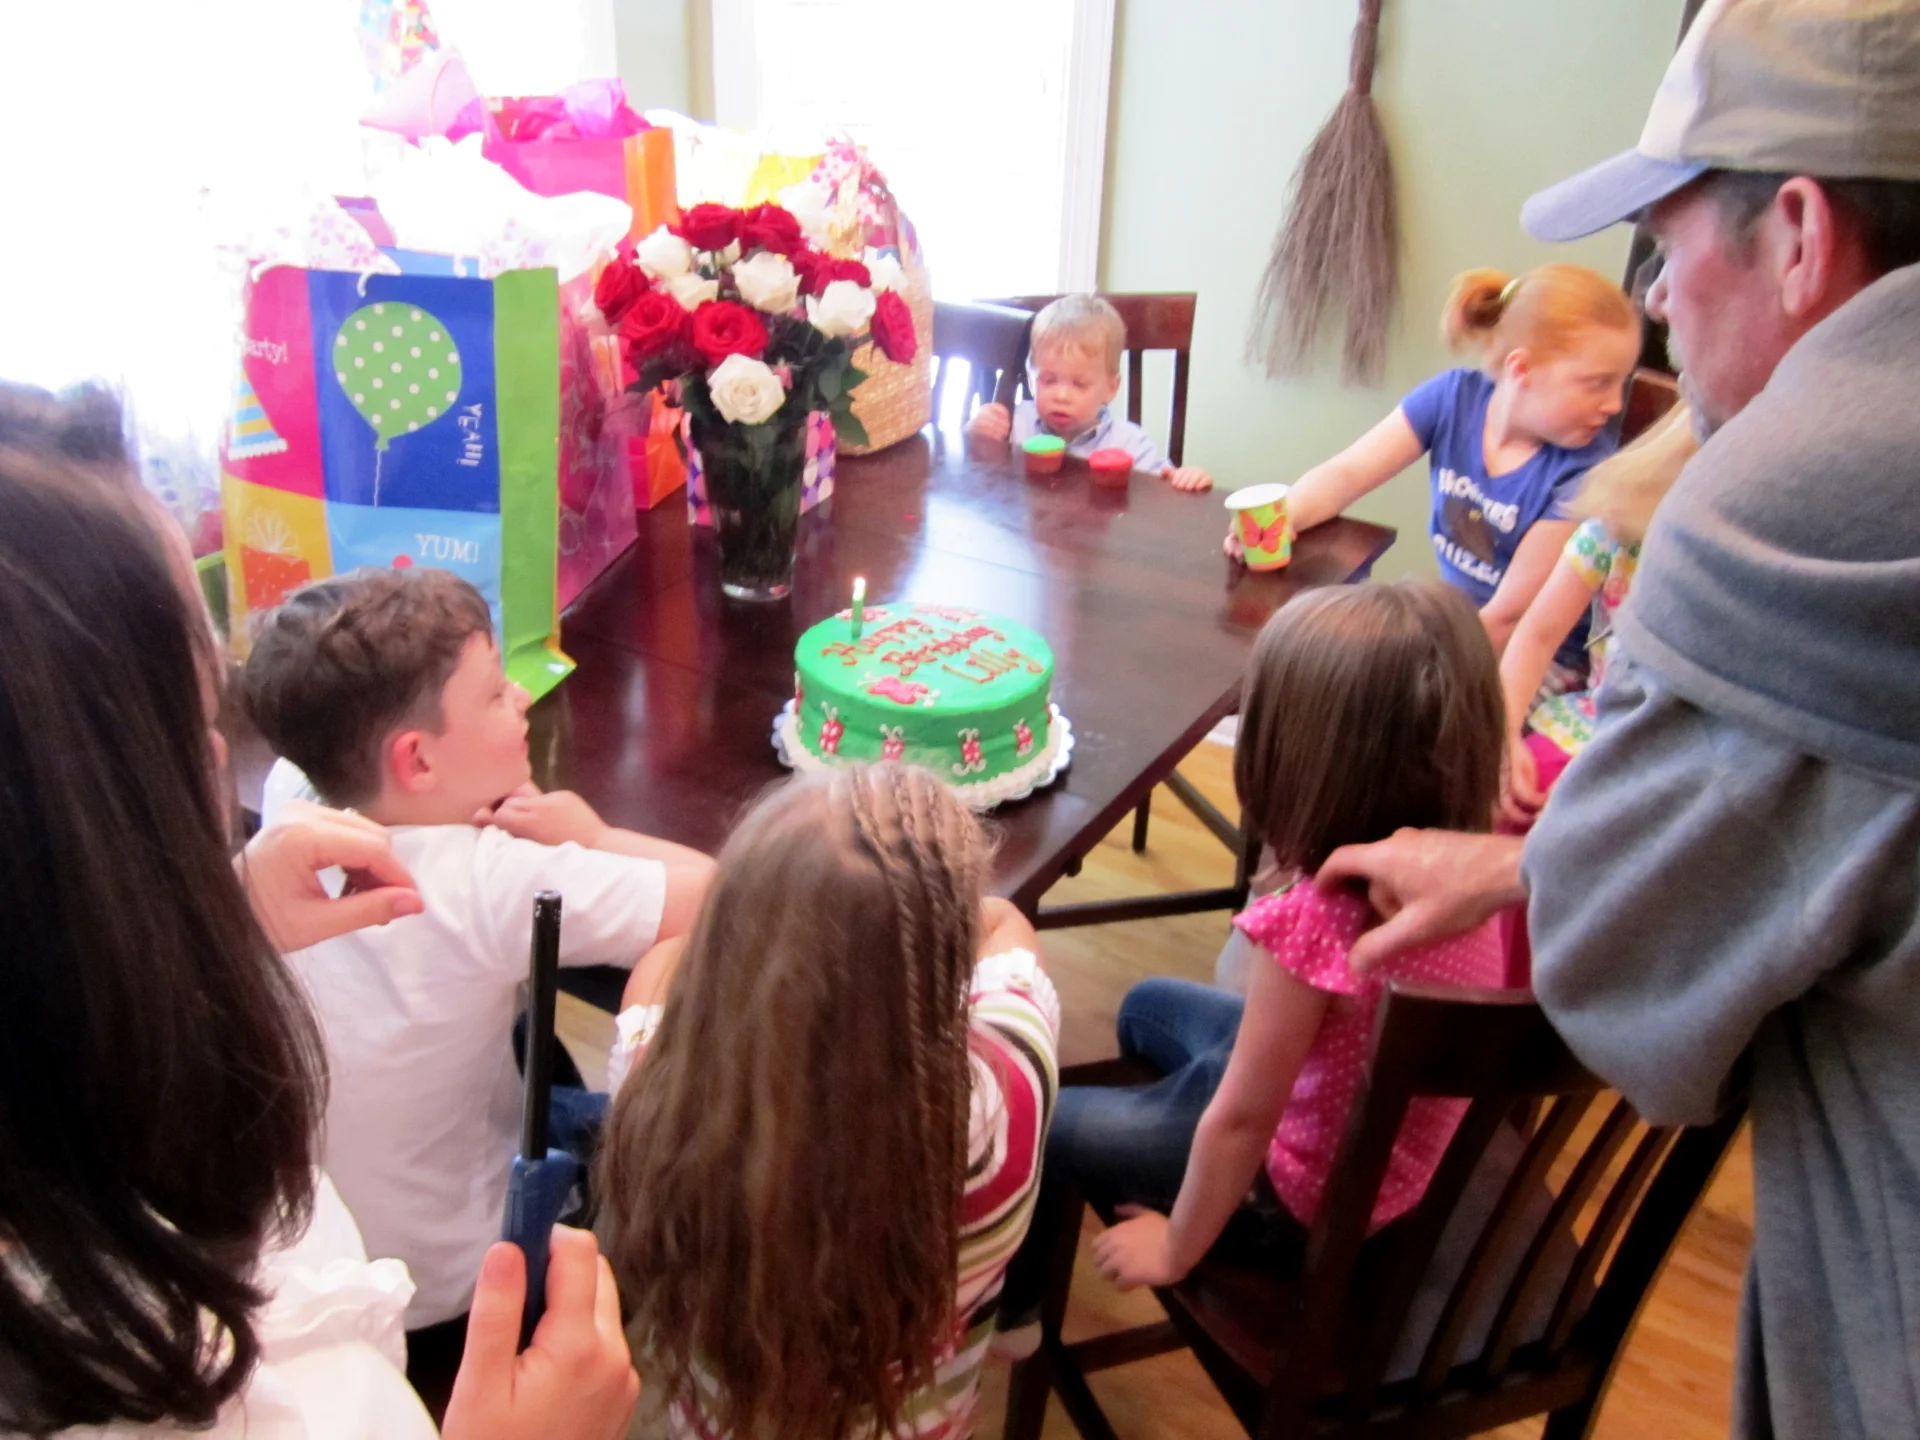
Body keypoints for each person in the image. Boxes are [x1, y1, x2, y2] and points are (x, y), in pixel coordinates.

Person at [1317, 2, 1920, 1435]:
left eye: (1663, 241)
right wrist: (1526, 857)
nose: (1655, 300)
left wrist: (1564, 876)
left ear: (1796, 232)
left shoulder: (1785, 502)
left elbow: (1630, 1009)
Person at [0, 385, 637, 1439]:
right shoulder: (275, 1394)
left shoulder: (291, 810)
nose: (219, 755)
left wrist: (225, 921)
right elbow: (712, 899)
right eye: (193, 718)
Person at [1001, 581, 1507, 1331]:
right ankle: (1171, 1123)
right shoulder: (1474, 876)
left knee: (1046, 1123)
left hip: (1294, 1200)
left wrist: (1176, 1246)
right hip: (1369, 1135)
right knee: (1145, 1008)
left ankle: (1014, 1317)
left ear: (1296, 763)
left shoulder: (1318, 920)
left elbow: (1243, 1121)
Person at [240, 567, 714, 1350]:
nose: (521, 698)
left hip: (327, 1255)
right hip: (461, 1287)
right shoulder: (494, 883)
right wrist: (593, 837)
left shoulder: (291, 799)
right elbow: (728, 898)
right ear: (417, 762)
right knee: (618, 1130)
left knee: (530, 1041)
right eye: (496, 692)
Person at [596, 764, 1060, 1440]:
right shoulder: (1011, 1093)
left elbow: (661, 965)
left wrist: (755, 914)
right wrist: (923, 915)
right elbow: (1006, 924)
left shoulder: (659, 1108)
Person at [1229, 266, 1639, 663]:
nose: (1614, 404)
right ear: (1522, 369)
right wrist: (1283, 518)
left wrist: (1408, 665)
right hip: (1457, 631)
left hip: (1534, 660)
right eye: (1598, 383)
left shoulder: (1586, 474)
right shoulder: (1452, 399)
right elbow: (1345, 474)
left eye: (1620, 383)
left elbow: (1509, 619)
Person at [1497, 399, 1697, 825]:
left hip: (1674, 766)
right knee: (1509, 799)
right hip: (1591, 724)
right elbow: (1537, 636)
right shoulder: (1613, 536)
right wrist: (1505, 734)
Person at [965, 294, 1214, 490]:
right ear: (1031, 376)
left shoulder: (1130, 444)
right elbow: (970, 473)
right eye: (1049, 380)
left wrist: (1186, 478)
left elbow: (1164, 489)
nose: (1061, 396)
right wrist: (976, 434)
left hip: (1099, 539)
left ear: (1111, 388)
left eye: (1079, 384)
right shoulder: (1014, 424)